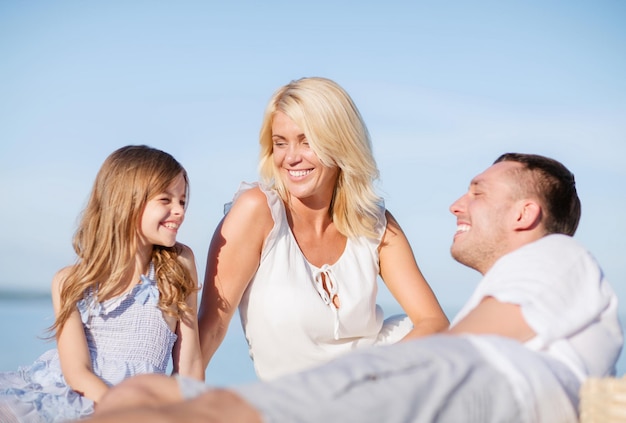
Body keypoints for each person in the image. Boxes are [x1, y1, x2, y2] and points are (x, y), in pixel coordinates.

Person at [83, 152, 622, 423]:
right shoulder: (527, 284)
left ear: (526, 213)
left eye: (478, 192)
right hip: (425, 376)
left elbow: (469, 346)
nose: (457, 203)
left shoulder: (561, 255)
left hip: (455, 382)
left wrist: (345, 375)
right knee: (140, 394)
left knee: (161, 413)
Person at [198, 77, 449, 380]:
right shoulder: (257, 211)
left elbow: (434, 322)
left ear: (340, 144)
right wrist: (175, 403)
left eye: (307, 141)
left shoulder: (373, 223)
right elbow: (210, 330)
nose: (291, 157)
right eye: (280, 143)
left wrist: (369, 382)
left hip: (377, 390)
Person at [0, 145, 204, 423]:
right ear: (127, 201)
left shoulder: (179, 265)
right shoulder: (70, 282)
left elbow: (189, 366)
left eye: (182, 201)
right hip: (84, 399)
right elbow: (77, 372)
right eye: (166, 200)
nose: (179, 211)